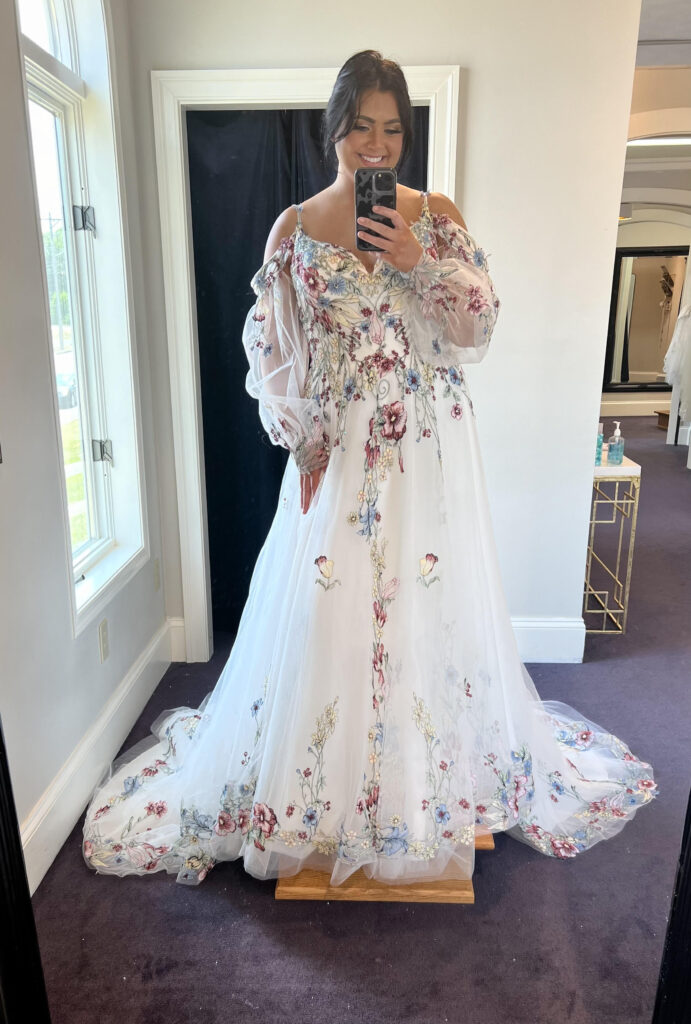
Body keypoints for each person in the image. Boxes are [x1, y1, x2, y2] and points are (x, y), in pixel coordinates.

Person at [81, 50, 658, 887]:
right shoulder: (294, 226)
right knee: (331, 603)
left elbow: (477, 328)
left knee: (428, 598)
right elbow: (271, 350)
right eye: (361, 128)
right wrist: (301, 439)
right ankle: (325, 793)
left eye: (392, 129)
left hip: (425, 440)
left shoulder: (436, 215)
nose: (377, 146)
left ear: (405, 133)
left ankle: (421, 791)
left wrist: (418, 259)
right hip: (339, 446)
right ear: (335, 130)